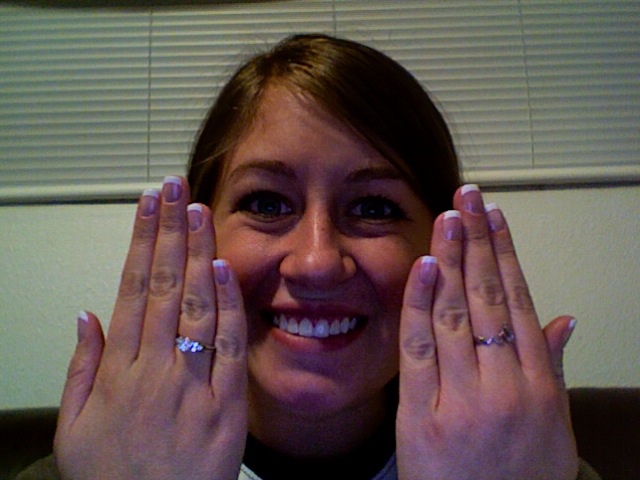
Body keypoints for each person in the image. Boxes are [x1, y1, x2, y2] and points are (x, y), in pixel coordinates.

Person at [18, 34, 600, 479]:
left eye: (373, 207)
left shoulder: (532, 463)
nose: (317, 261)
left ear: (445, 243)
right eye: (266, 203)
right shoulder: (92, 465)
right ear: (198, 234)